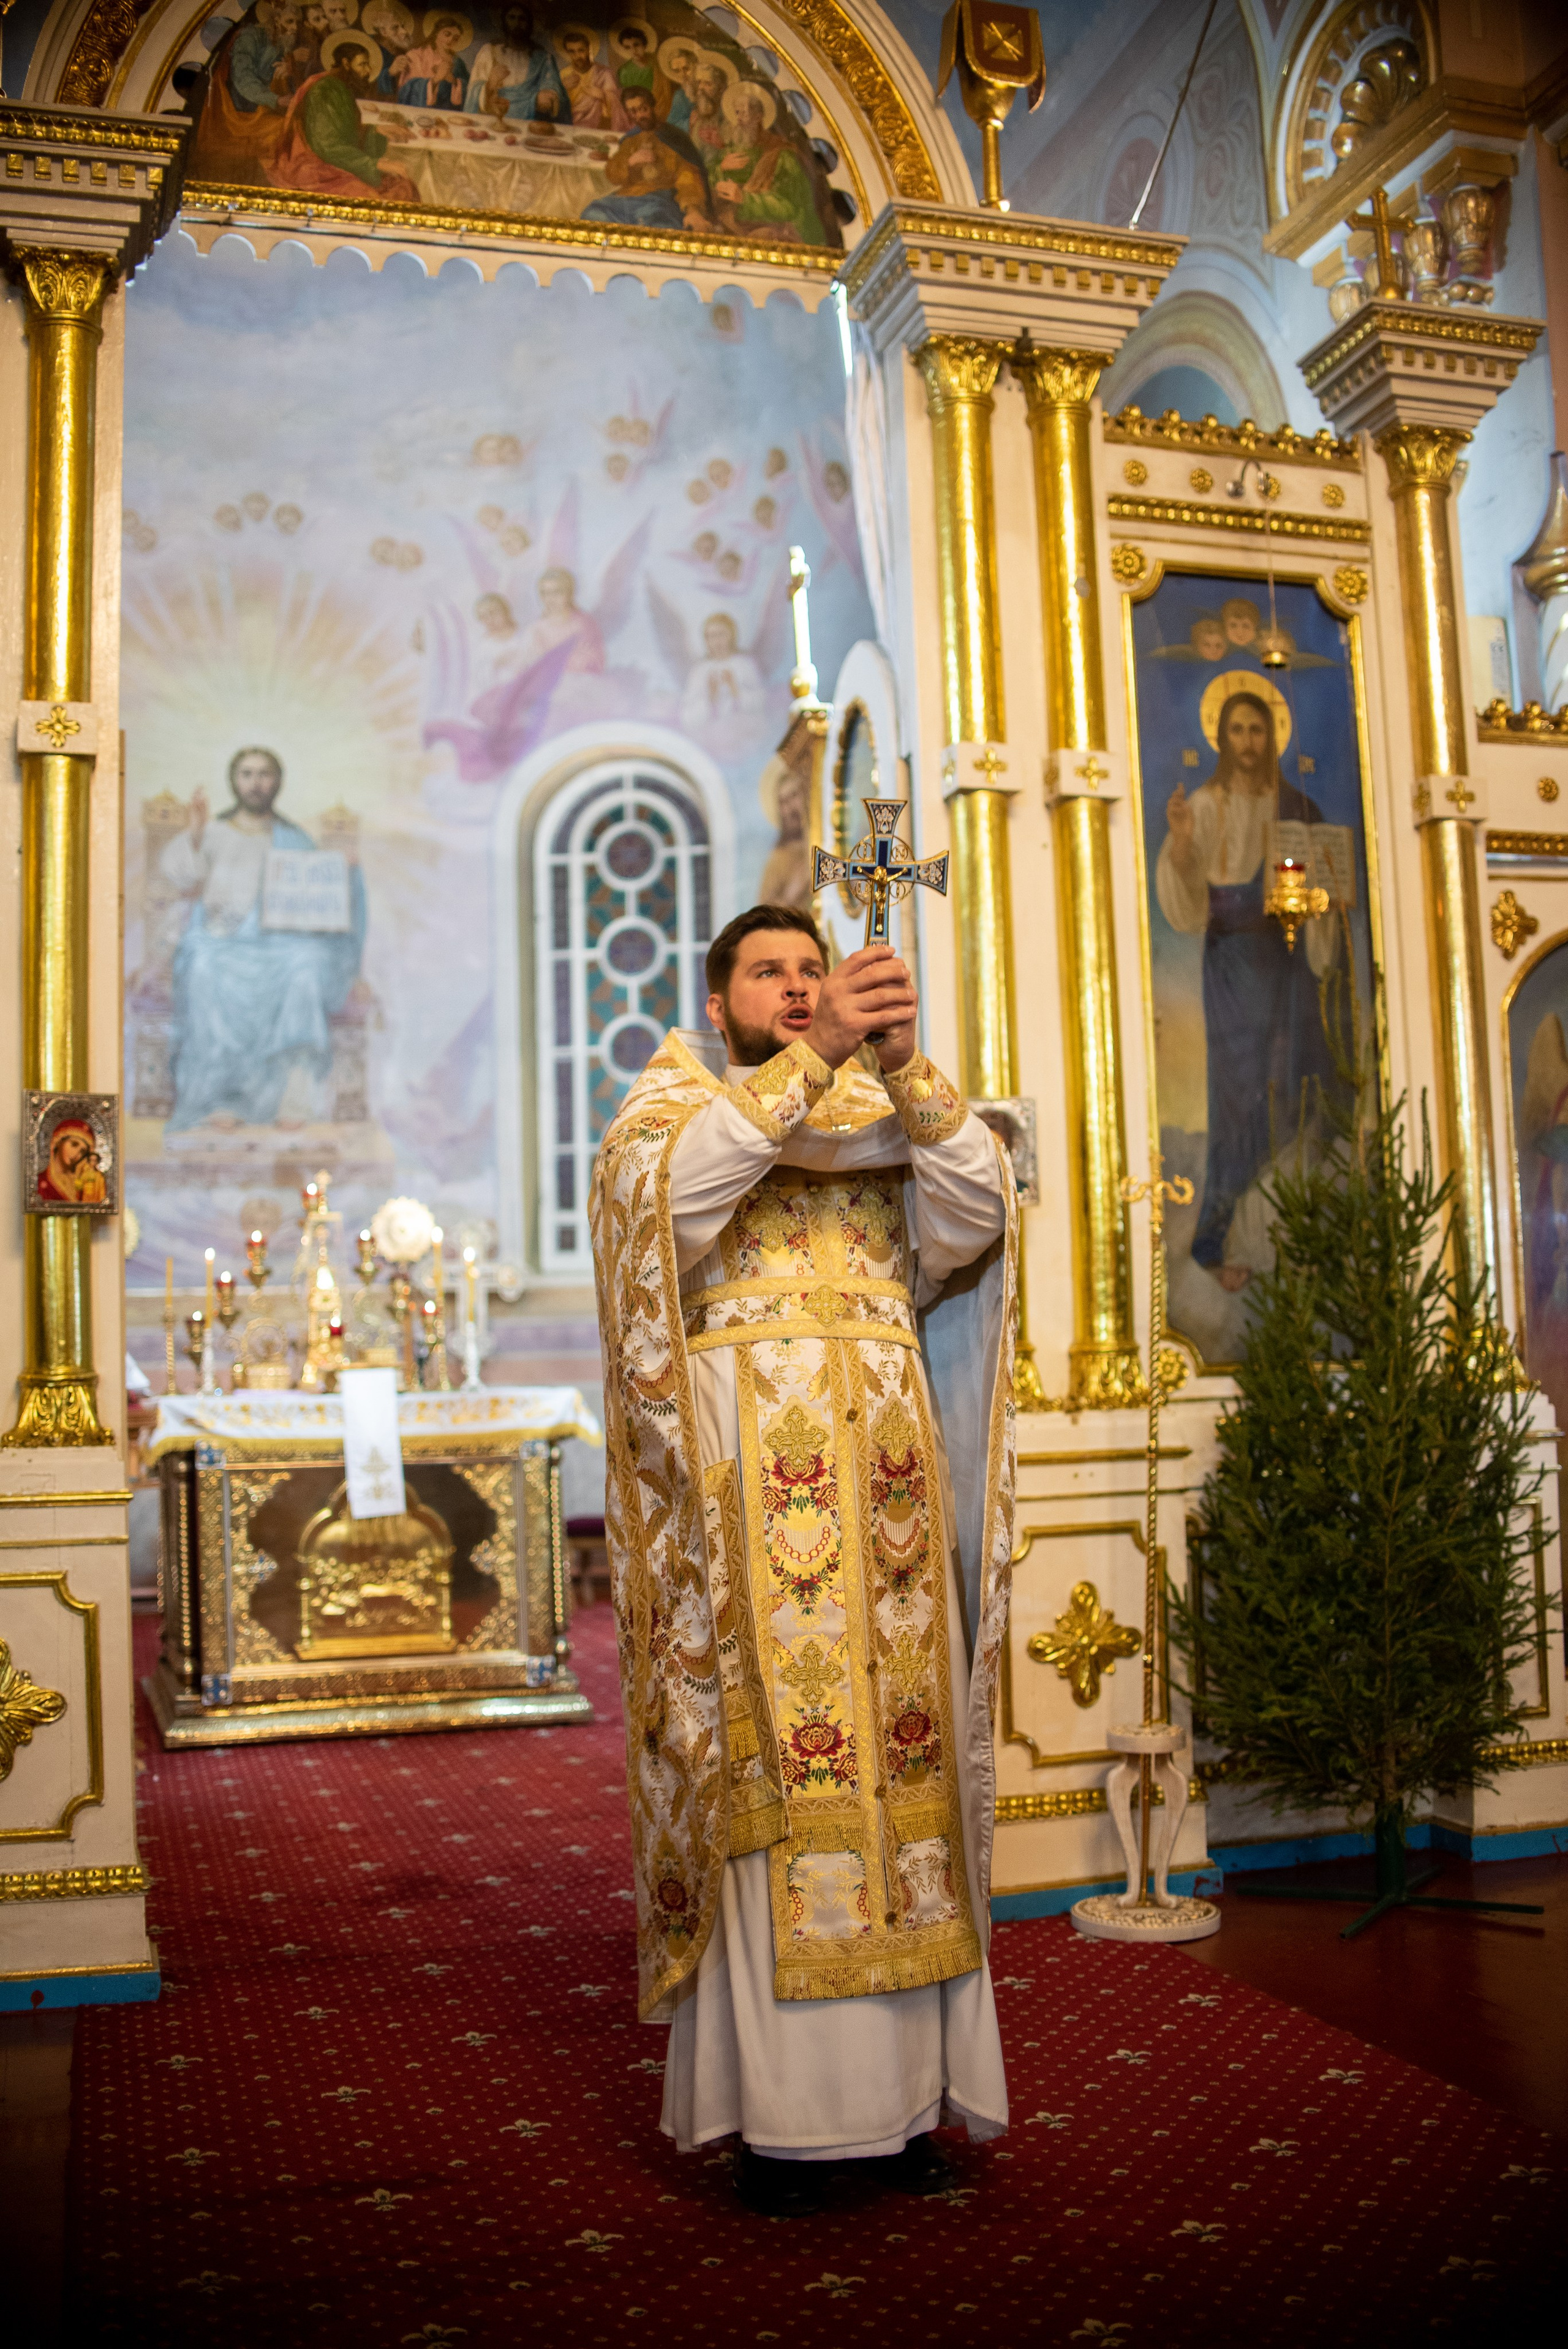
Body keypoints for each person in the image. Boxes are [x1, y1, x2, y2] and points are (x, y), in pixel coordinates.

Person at [590, 907, 1018, 2217]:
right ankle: (784, 2129)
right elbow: (676, 1208)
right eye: (765, 972)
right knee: (776, 1801)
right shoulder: (665, 1120)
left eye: (808, 969)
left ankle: (897, 2113)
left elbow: (978, 1208)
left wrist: (890, 1067)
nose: (792, 986)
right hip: (751, 1552)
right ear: (718, 1001)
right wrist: (809, 1058)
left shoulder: (884, 1132)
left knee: (909, 1803)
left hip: (882, 1540)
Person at [1156, 688, 1343, 1288]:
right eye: (1236, 730)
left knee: (1285, 1079)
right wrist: (1183, 839)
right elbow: (1185, 896)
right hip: (1232, 961)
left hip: (1283, 958)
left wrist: (1326, 902)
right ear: (1221, 738)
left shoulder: (1298, 808)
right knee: (1237, 1087)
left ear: (1271, 738)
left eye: (1256, 731)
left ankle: (1284, 1233)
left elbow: (1322, 888)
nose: (1247, 742)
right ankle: (1221, 1231)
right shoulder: (1205, 804)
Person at [160, 747, 366, 1132]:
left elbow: (319, 898)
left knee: (306, 966)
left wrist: (345, 871)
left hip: (279, 945)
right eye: (247, 774)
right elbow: (181, 875)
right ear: (234, 781)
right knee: (204, 967)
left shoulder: (294, 839)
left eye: (265, 774)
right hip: (223, 940)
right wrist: (197, 832)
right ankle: (217, 1097)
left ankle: (293, 1098)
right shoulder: (215, 832)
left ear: (278, 782)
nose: (256, 783)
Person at [266, 32, 421, 197]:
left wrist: (377, 131)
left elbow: (345, 131)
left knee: (403, 185)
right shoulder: (325, 90)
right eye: (362, 64)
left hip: (335, 161)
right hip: (316, 168)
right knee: (393, 194)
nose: (368, 71)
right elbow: (328, 146)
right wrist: (376, 164)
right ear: (346, 64)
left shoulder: (340, 87)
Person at [581, 84, 710, 232]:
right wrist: (631, 161)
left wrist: (693, 211)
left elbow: (688, 177)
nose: (640, 116)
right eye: (633, 112)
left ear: (653, 107)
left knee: (658, 230)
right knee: (592, 215)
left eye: (643, 109)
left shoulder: (674, 139)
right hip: (626, 200)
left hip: (660, 201)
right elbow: (613, 174)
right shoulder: (630, 140)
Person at [709, 81, 824, 246]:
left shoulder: (782, 155)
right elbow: (707, 182)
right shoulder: (731, 152)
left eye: (745, 114)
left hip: (772, 231)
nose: (739, 120)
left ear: (758, 117)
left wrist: (745, 199)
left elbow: (789, 207)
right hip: (732, 225)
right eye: (737, 113)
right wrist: (721, 169)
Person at [464, 3, 565, 121]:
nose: (517, 23)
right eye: (512, 18)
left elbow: (551, 83)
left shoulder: (543, 58)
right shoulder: (489, 51)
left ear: (529, 23)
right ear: (504, 21)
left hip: (529, 122)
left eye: (522, 19)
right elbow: (473, 90)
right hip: (492, 119)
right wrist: (490, 84)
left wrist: (548, 94)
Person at [394, 11, 469, 107]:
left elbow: (469, 91)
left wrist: (454, 81)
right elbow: (406, 90)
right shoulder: (416, 56)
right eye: (447, 34)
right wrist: (435, 80)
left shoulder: (458, 63)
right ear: (436, 33)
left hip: (448, 113)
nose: (451, 40)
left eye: (456, 38)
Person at [557, 25, 625, 130]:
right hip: (568, 126)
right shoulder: (564, 74)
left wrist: (602, 95)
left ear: (589, 49)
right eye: (572, 52)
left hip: (598, 127)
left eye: (581, 50)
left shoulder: (604, 74)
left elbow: (618, 108)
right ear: (567, 52)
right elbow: (555, 109)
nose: (577, 56)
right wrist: (562, 88)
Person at [37, 1119, 107, 1205]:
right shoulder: (40, 1182)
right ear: (58, 1141)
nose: (76, 1154)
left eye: (82, 1152)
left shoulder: (82, 1183)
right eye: (74, 1144)